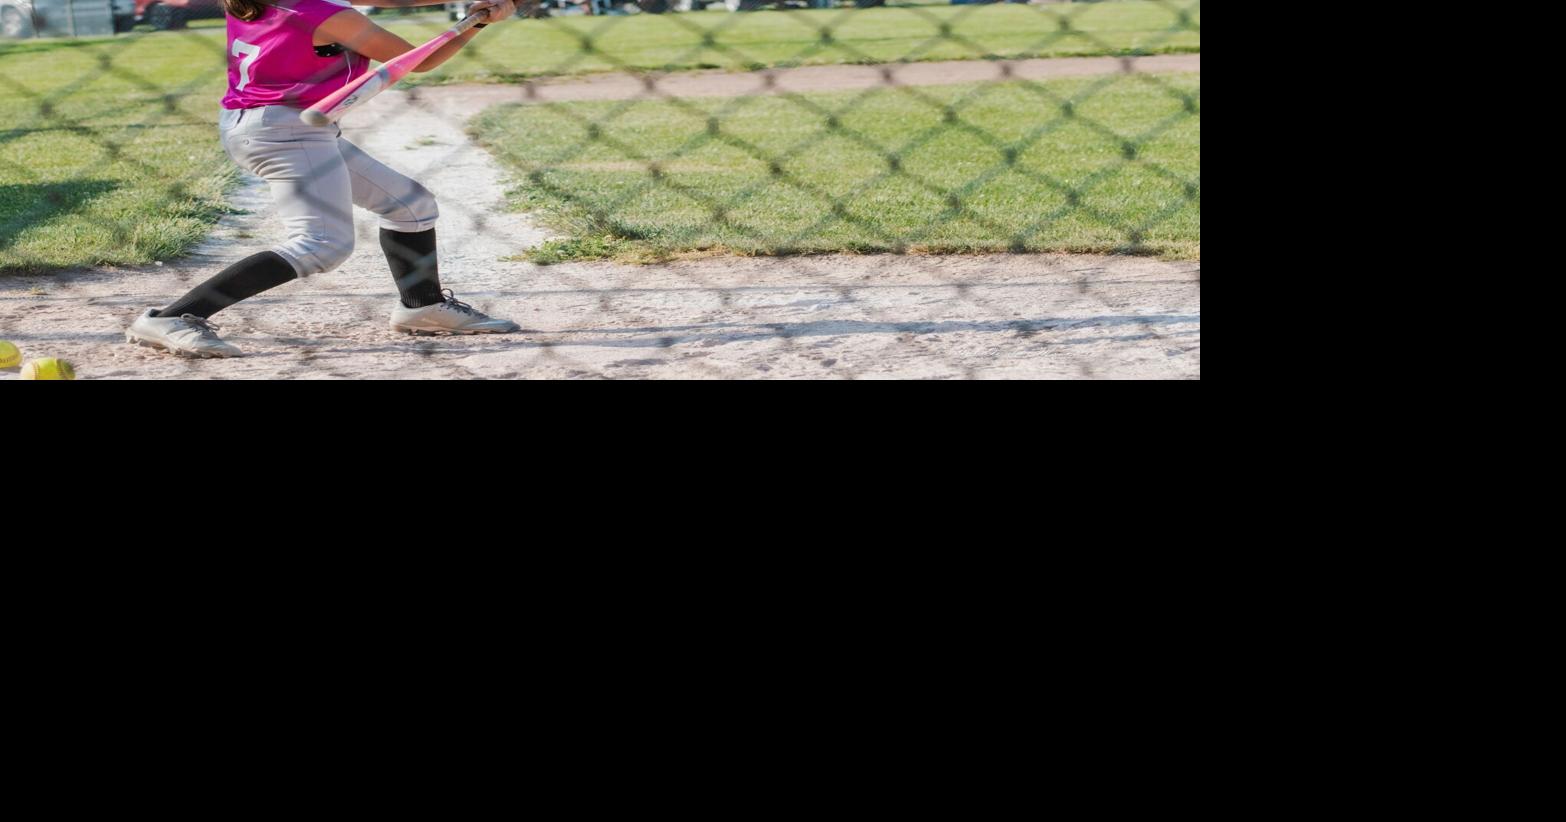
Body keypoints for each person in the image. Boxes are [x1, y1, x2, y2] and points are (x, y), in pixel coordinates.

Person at [127, 0, 519, 358]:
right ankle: (174, 316)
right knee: (322, 244)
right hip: (285, 132)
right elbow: (417, 61)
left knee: (410, 205)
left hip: (270, 124)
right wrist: (473, 25)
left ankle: (423, 306)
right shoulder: (321, 14)